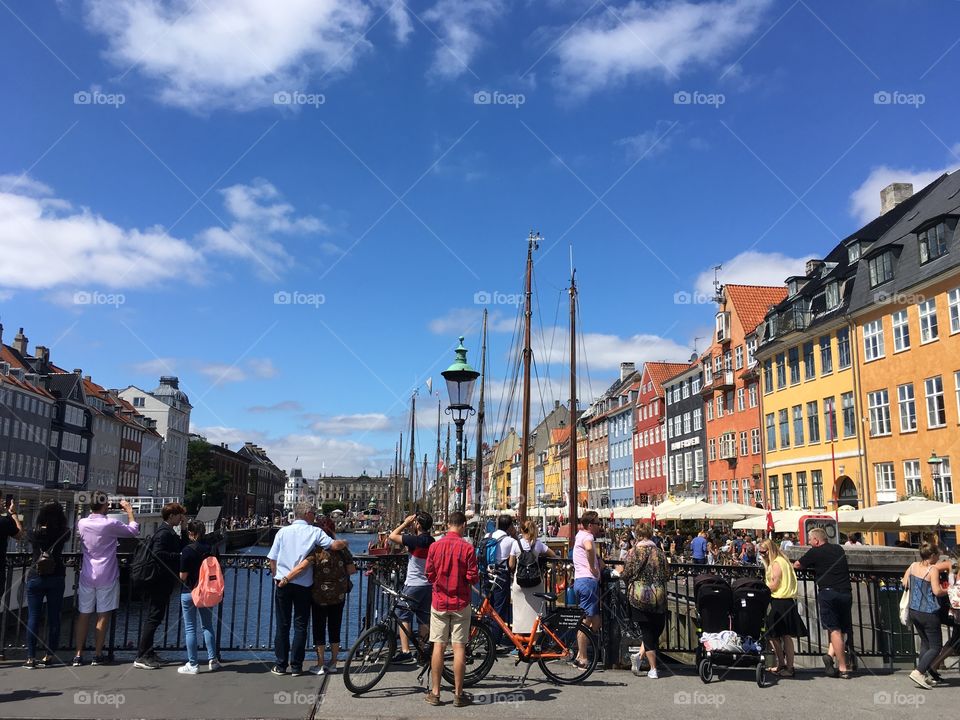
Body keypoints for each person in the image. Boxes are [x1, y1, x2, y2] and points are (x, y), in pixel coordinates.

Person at [269, 502, 346, 676]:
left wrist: (276, 577)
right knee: (300, 625)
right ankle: (296, 666)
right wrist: (344, 542)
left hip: (283, 583)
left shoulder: (282, 532)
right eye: (314, 513)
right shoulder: (315, 532)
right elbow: (333, 545)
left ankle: (280, 665)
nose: (315, 516)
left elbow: (272, 559)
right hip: (304, 585)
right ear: (307, 514)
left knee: (282, 624)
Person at [284, 516, 356, 675]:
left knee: (319, 627)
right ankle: (334, 662)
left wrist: (286, 578)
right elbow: (352, 570)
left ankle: (320, 663)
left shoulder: (316, 550)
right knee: (335, 626)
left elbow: (303, 567)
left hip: (318, 595)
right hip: (338, 594)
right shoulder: (342, 549)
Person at [74, 497, 139, 666]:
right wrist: (129, 511)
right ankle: (97, 654)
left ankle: (78, 654)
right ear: (104, 505)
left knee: (84, 614)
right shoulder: (110, 524)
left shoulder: (81, 523)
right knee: (103, 615)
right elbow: (133, 531)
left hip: (87, 574)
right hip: (107, 574)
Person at [424, 511, 478, 708]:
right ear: (463, 525)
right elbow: (473, 577)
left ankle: (436, 692)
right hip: (461, 602)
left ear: (448, 524)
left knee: (438, 645)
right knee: (459, 647)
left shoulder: (435, 546)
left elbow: (429, 573)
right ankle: (458, 694)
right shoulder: (468, 548)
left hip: (439, 601)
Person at [134, 502, 188, 669]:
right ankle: (142, 655)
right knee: (153, 617)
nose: (182, 518)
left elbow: (183, 546)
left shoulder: (168, 531)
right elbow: (158, 554)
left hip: (162, 580)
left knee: (156, 616)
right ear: (171, 516)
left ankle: (148, 652)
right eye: (179, 515)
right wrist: (178, 556)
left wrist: (184, 530)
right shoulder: (164, 533)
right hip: (158, 581)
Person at [794, 527, 853, 678]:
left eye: (810, 540)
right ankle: (829, 655)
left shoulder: (815, 552)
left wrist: (813, 564)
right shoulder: (838, 549)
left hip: (828, 592)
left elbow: (798, 565)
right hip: (846, 592)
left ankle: (843, 668)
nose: (809, 542)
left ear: (816, 540)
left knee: (834, 629)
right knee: (843, 628)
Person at [24, 502, 69, 668]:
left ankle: (30, 657)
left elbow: (27, 535)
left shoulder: (33, 532)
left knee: (33, 617)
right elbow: (66, 533)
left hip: (36, 575)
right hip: (56, 576)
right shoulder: (63, 532)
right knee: (54, 617)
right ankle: (49, 655)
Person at [902, 543, 951, 689]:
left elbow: (905, 582)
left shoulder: (912, 566)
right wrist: (949, 589)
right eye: (937, 555)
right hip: (929, 612)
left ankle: (921, 675)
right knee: (936, 647)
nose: (938, 557)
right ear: (933, 556)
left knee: (925, 643)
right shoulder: (933, 569)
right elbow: (936, 591)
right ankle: (919, 671)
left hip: (914, 610)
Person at [621, 524, 668, 679]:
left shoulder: (633, 552)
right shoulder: (659, 553)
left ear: (638, 536)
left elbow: (626, 573)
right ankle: (648, 663)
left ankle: (649, 665)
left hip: (639, 596)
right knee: (656, 627)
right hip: (658, 596)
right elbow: (667, 573)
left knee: (647, 630)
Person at [387, 512, 434, 663]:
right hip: (428, 585)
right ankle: (422, 650)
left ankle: (406, 651)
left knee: (403, 614)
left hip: (414, 584)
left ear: (418, 524)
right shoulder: (432, 540)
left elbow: (392, 536)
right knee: (423, 618)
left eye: (415, 523)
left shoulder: (414, 540)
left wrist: (405, 523)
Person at [177, 519, 219, 674]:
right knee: (207, 626)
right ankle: (213, 660)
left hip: (189, 591)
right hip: (207, 592)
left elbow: (182, 576)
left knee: (190, 629)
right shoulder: (211, 549)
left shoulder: (187, 550)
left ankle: (193, 664)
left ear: (190, 533)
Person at [759, 538, 804, 677]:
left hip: (780, 601)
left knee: (773, 634)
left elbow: (774, 584)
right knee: (784, 636)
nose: (762, 555)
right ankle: (785, 666)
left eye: (764, 552)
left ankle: (786, 666)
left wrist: (761, 590)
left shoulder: (777, 563)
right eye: (760, 553)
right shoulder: (783, 561)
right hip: (787, 601)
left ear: (770, 550)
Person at [507, 519, 557, 638]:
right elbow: (553, 554)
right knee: (535, 615)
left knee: (519, 617)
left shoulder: (516, 544)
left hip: (520, 583)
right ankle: (534, 643)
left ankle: (520, 645)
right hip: (535, 582)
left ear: (521, 530)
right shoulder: (538, 544)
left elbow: (511, 565)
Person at [572, 510, 604, 668]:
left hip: (580, 580)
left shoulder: (579, 534)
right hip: (587, 580)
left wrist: (598, 561)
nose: (600, 526)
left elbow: (589, 552)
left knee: (595, 618)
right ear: (590, 525)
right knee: (587, 621)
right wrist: (593, 568)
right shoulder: (589, 536)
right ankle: (582, 658)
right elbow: (590, 548)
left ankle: (583, 651)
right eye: (598, 523)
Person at [482, 515, 517, 648]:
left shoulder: (488, 536)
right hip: (501, 576)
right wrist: (515, 536)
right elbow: (512, 565)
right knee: (499, 609)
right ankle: (493, 641)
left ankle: (486, 634)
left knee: (489, 607)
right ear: (509, 527)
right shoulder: (509, 540)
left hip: (487, 575)